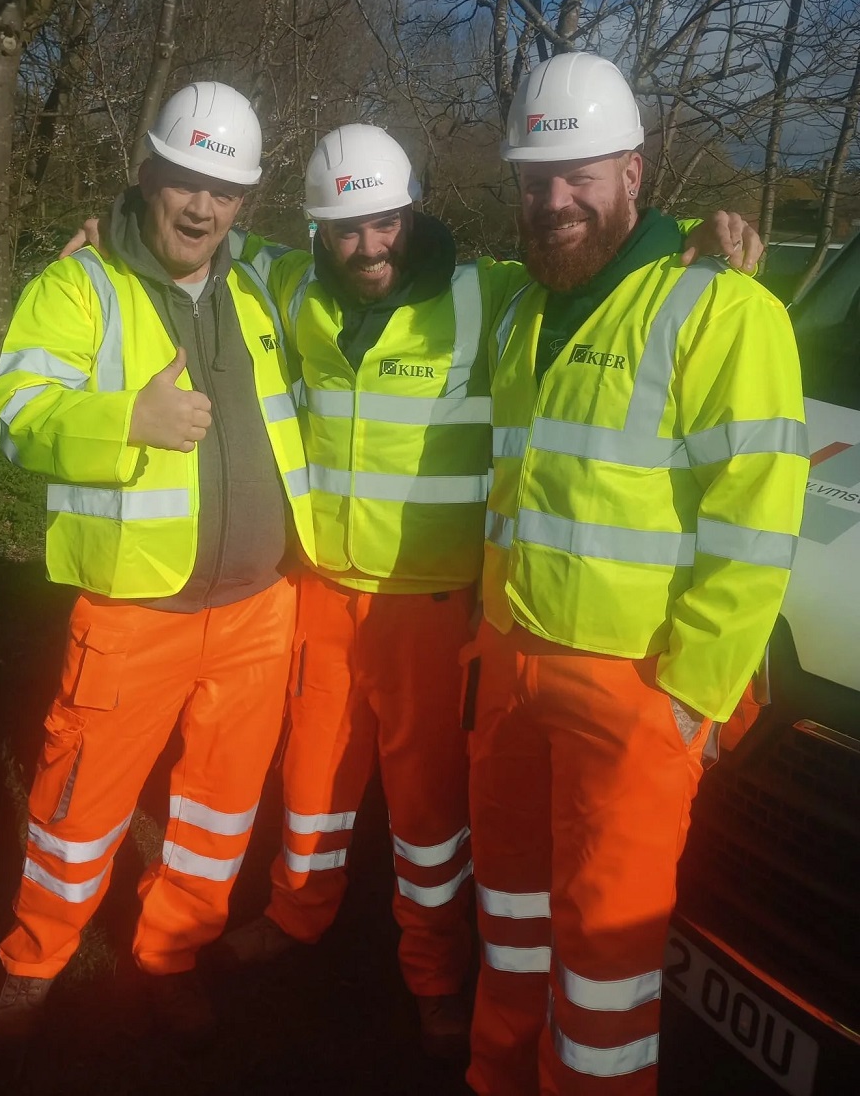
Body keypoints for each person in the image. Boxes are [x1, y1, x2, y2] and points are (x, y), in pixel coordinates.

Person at [210, 124, 761, 1060]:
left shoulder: (488, 296)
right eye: (345, 229)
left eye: (386, 221)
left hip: (428, 611)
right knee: (310, 788)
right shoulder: (292, 285)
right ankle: (298, 915)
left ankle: (432, 972)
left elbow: (592, 271)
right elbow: (212, 240)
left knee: (428, 820)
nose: (371, 246)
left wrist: (693, 245)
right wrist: (116, 234)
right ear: (316, 234)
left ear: (413, 210)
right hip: (323, 596)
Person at [463, 52, 809, 1095]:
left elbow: (756, 528)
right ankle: (493, 1073)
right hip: (513, 663)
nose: (554, 199)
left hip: (635, 691)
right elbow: (373, 255)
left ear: (634, 174)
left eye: (580, 175)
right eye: (535, 180)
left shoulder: (724, 310)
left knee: (606, 957)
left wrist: (691, 698)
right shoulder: (523, 307)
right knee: (513, 914)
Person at [0, 82, 316, 1046]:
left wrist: (665, 245)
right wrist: (125, 419)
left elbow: (371, 260)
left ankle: (170, 955)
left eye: (224, 190)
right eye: (185, 182)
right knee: (78, 810)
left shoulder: (259, 285)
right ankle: (33, 963)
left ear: (245, 202)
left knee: (216, 814)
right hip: (134, 610)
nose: (202, 207)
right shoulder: (80, 286)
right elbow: (11, 416)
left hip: (260, 608)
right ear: (148, 174)